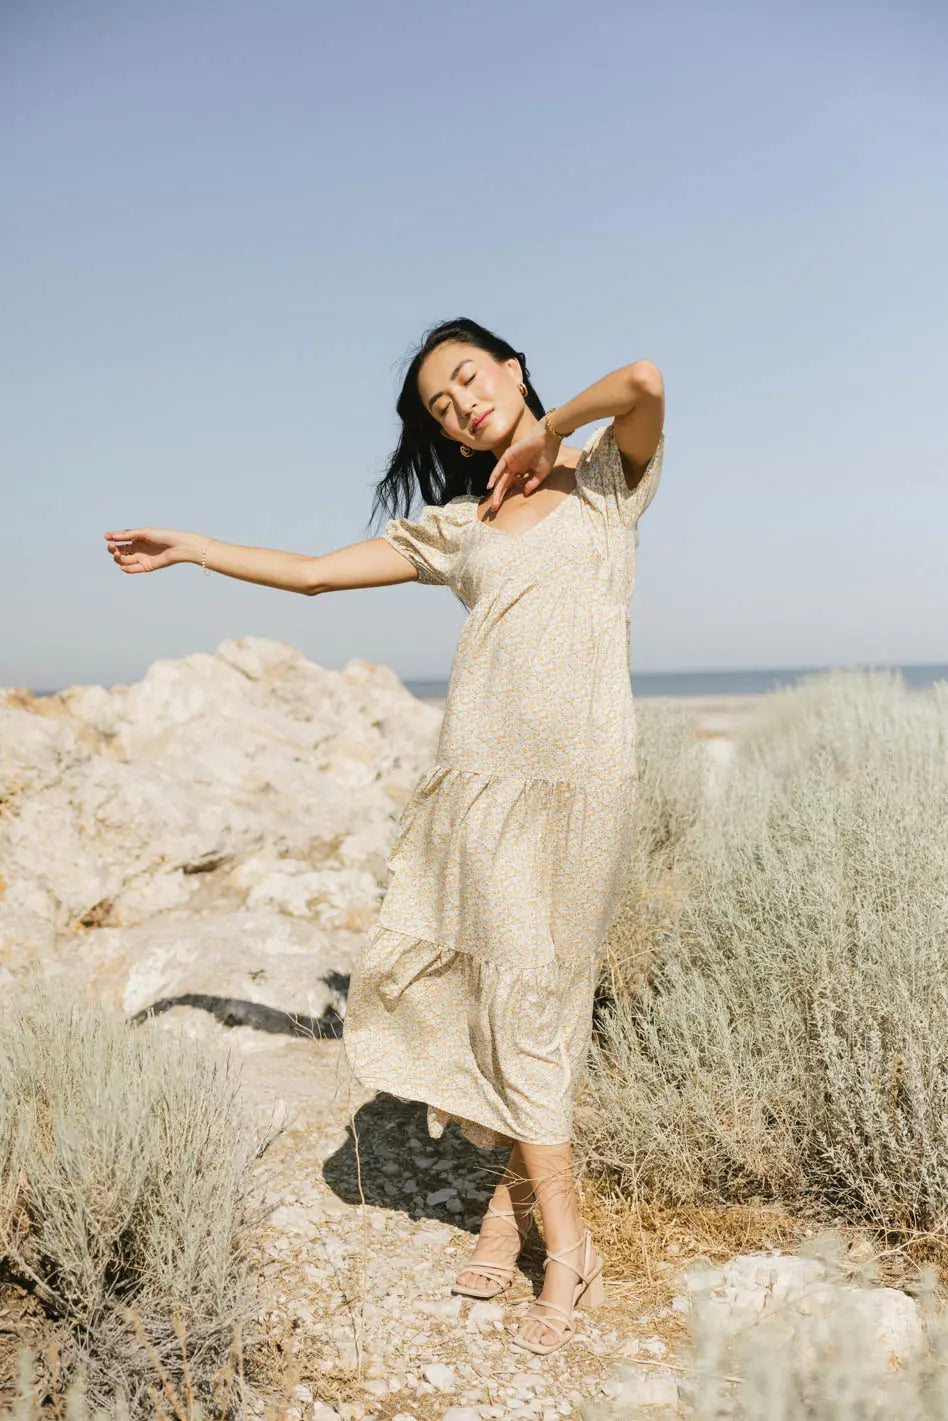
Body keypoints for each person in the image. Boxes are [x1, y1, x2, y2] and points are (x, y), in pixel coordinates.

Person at [103, 316, 665, 1356]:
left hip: (588, 783)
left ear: (512, 368)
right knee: (510, 994)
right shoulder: (463, 525)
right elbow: (315, 572)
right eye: (444, 409)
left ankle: (520, 1213)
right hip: (483, 788)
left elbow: (642, 377)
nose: (462, 406)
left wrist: (551, 435)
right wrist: (195, 548)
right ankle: (564, 1237)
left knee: (545, 992)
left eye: (468, 380)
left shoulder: (605, 477)